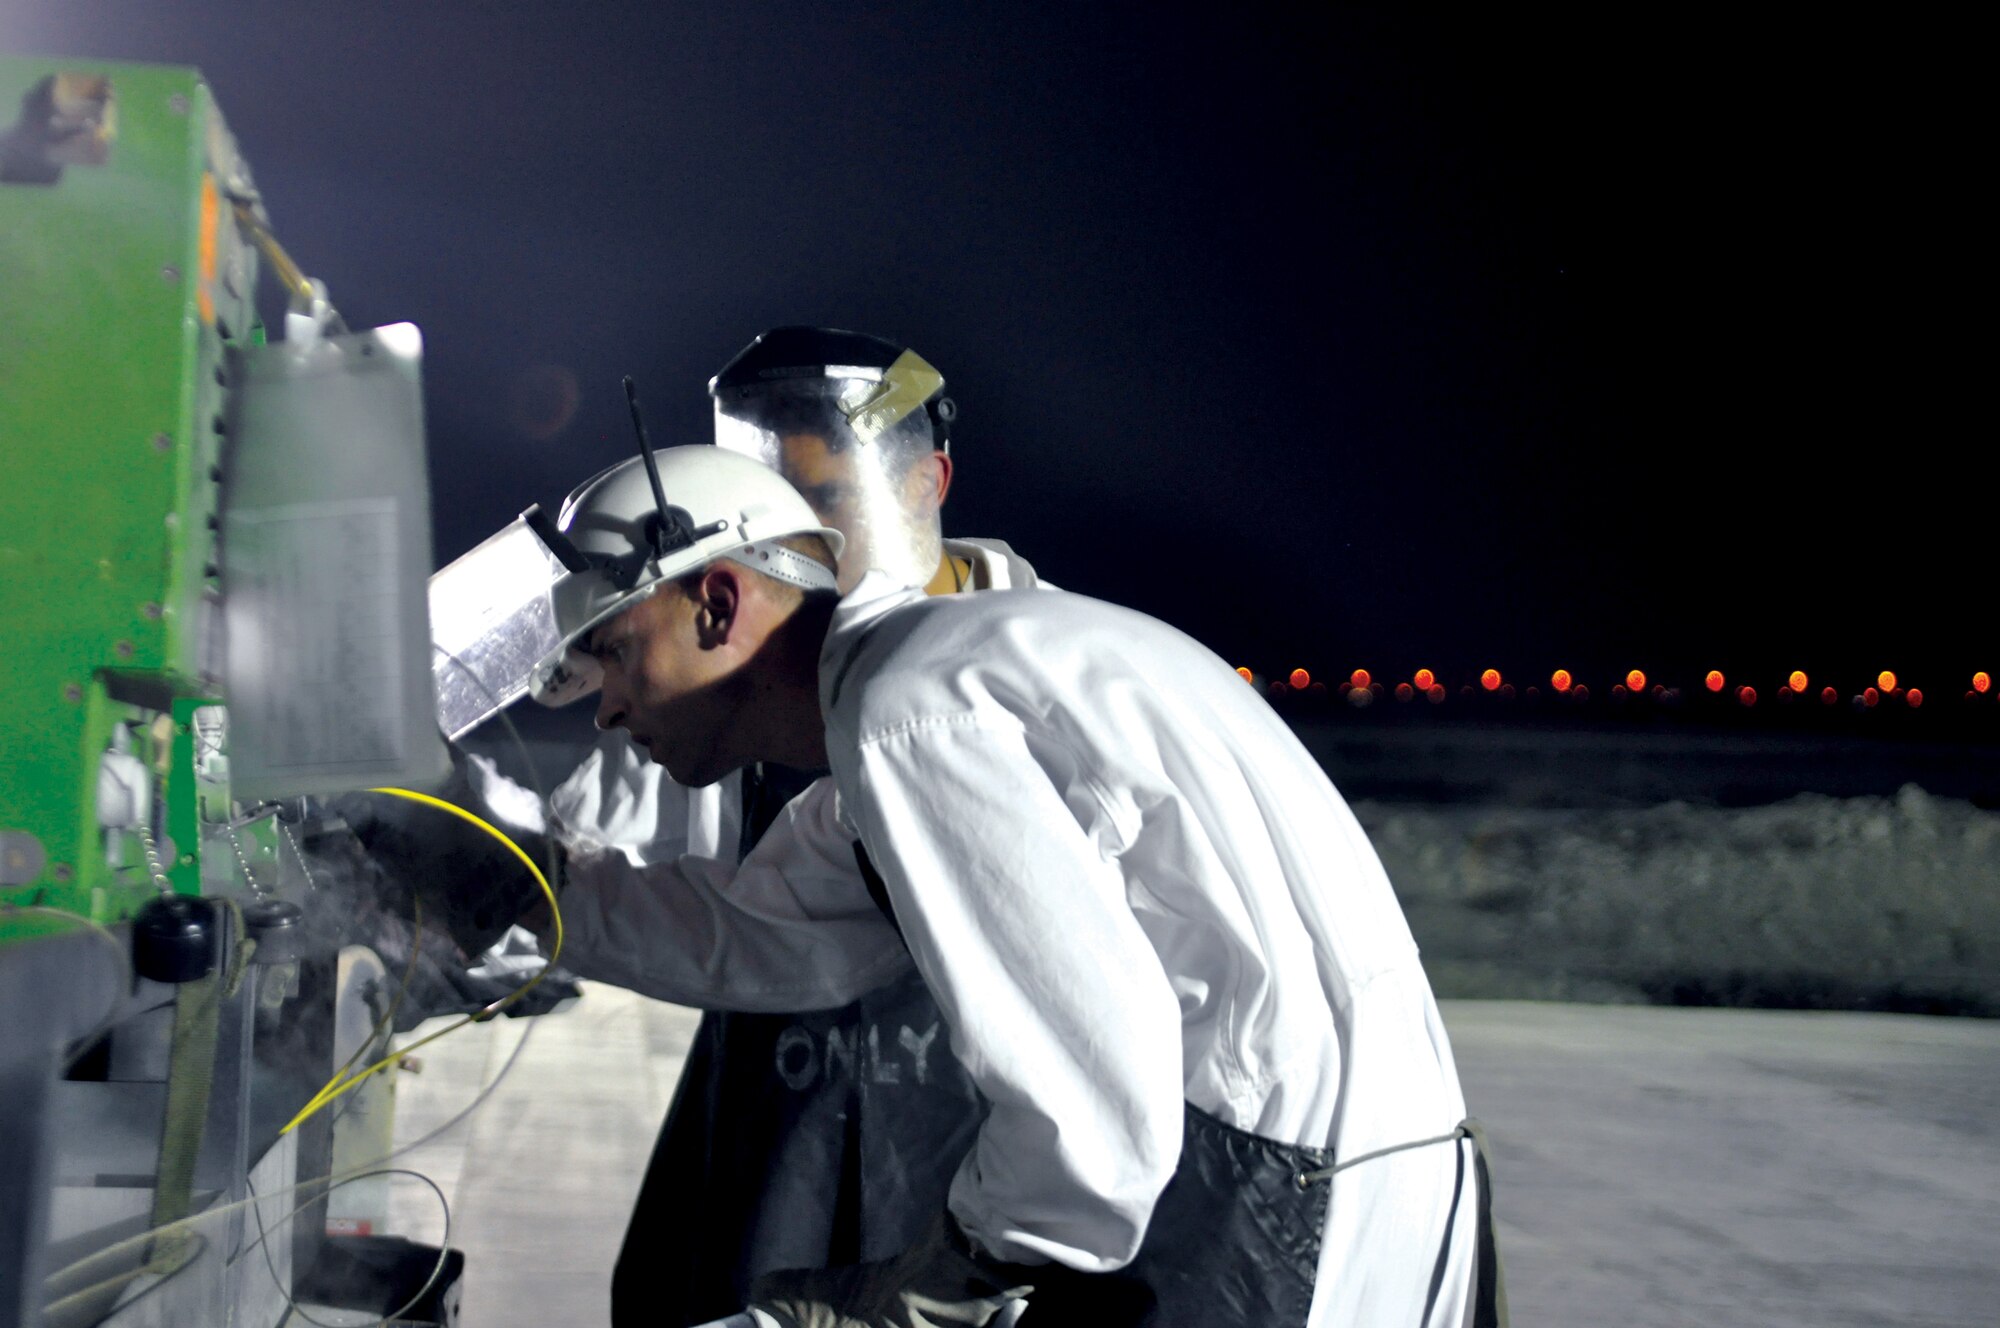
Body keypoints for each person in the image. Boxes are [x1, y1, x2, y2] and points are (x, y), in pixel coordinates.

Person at [520, 443, 1502, 1327]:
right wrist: (517, 887)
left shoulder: (911, 710)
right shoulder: (939, 677)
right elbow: (764, 931)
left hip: (1272, 1203)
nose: (604, 708)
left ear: (717, 603)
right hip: (1342, 1172)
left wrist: (942, 1279)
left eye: (611, 651)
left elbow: (1088, 1113)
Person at [514, 329, 1042, 1326]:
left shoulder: (1026, 679)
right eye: (774, 519)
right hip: (764, 1150)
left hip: (965, 1175)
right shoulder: (724, 684)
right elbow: (603, 867)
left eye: (831, 505)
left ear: (925, 483)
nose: (806, 555)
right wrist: (490, 883)